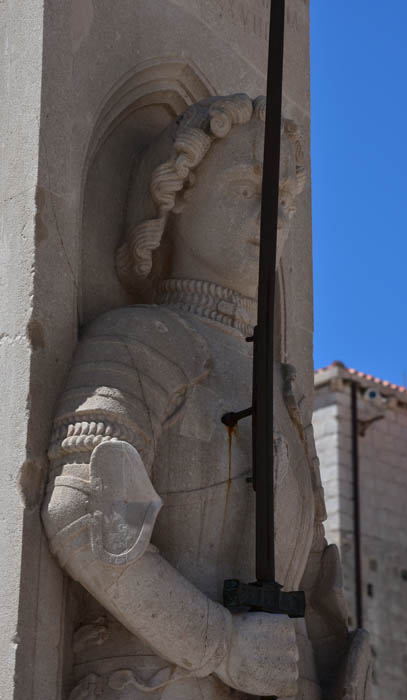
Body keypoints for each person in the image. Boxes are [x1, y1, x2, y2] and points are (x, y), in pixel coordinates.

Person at [42, 94, 370, 700]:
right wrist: (222, 644)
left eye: (283, 204)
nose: (271, 220)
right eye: (248, 190)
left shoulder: (280, 383)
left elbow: (316, 588)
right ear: (175, 196)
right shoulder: (142, 338)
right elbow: (85, 519)